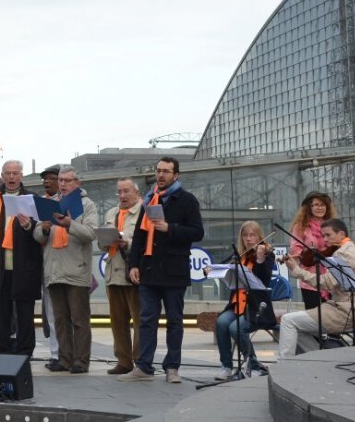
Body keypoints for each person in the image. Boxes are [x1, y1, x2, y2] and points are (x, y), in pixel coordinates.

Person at [120, 157, 204, 384]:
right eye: (158, 171)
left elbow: (197, 232)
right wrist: (133, 264)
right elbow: (139, 235)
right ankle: (144, 366)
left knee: (174, 321)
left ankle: (172, 367)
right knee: (147, 319)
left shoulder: (186, 200)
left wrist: (170, 228)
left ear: (176, 175)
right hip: (149, 269)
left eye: (166, 171)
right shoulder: (149, 199)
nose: (161, 175)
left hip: (174, 271)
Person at [0, 159, 42, 357]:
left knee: (25, 312)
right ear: (2, 175)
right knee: (0, 312)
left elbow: (39, 233)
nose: (12, 177)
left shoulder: (31, 197)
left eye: (15, 173)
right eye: (8, 173)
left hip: (24, 264)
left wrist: (27, 226)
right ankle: (2, 350)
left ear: (21, 175)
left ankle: (24, 352)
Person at [33, 168, 96, 373]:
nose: (62, 184)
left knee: (79, 320)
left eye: (67, 180)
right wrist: (43, 227)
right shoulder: (50, 204)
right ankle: (64, 359)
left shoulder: (86, 204)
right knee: (60, 319)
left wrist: (70, 224)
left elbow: (90, 233)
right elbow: (38, 236)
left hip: (76, 270)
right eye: (60, 180)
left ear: (77, 183)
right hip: (54, 269)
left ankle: (80, 361)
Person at [278, 218, 355, 358]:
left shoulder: (342, 253)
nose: (324, 239)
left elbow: (326, 283)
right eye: (323, 236)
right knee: (298, 328)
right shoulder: (354, 250)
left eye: (328, 235)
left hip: (343, 312)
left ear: (341, 234)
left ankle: (283, 366)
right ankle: (319, 359)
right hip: (351, 310)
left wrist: (297, 270)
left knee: (287, 320)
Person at [213, 221, 275, 380]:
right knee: (221, 322)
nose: (248, 239)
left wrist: (260, 259)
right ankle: (226, 365)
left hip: (257, 307)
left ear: (259, 236)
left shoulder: (267, 254)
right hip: (237, 304)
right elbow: (221, 267)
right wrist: (210, 269)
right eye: (245, 235)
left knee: (235, 327)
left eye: (252, 235)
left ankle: (254, 365)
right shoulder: (238, 255)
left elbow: (264, 280)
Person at [103, 178, 141, 375]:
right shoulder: (112, 213)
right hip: (113, 272)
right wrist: (105, 238)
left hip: (134, 274)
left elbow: (146, 243)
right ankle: (123, 361)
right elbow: (102, 244)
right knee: (117, 321)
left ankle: (140, 360)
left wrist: (128, 242)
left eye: (126, 191)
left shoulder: (143, 212)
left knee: (139, 320)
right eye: (119, 192)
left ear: (136, 192)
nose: (122, 196)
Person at [288, 192, 336, 309]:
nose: (320, 207)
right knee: (314, 314)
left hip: (330, 276)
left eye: (323, 204)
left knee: (330, 313)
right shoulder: (300, 226)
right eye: (316, 204)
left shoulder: (332, 225)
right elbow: (296, 250)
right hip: (309, 278)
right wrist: (308, 256)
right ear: (309, 208)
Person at [36, 165, 62, 368]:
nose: (47, 181)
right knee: (51, 313)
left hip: (68, 263)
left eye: (52, 178)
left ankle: (72, 353)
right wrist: (41, 229)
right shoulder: (41, 204)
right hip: (47, 264)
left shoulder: (73, 201)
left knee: (71, 315)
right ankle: (56, 354)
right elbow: (35, 234)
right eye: (45, 179)